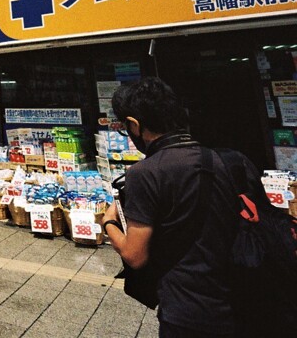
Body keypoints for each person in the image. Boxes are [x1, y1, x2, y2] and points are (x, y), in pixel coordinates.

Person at [100, 77, 263, 337]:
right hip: (246, 301)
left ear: (134, 125)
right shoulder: (232, 161)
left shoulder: (145, 173)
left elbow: (135, 256)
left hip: (188, 310)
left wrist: (108, 222)